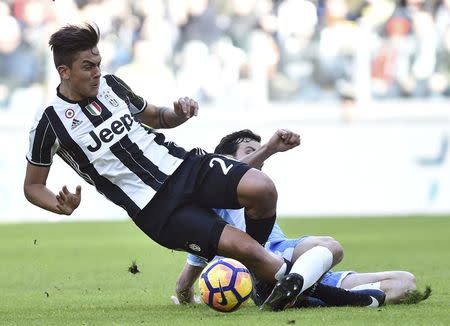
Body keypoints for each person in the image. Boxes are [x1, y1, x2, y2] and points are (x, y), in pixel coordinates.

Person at [25, 23, 366, 311]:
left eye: (98, 62)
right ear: (64, 71)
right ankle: (299, 289)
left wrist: (178, 111)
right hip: (156, 209)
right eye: (88, 66)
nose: (97, 72)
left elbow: (157, 117)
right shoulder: (49, 124)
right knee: (250, 252)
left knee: (262, 189)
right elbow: (32, 186)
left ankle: (268, 282)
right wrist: (58, 204)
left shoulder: (113, 86)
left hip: (186, 166)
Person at [172, 129, 421, 307]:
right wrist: (269, 149)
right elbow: (184, 283)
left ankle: (305, 296)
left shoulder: (254, 199)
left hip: (302, 267)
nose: (257, 160)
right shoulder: (212, 210)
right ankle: (291, 291)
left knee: (405, 283)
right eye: (249, 151)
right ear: (225, 162)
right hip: (268, 261)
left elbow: (183, 286)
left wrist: (186, 297)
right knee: (330, 246)